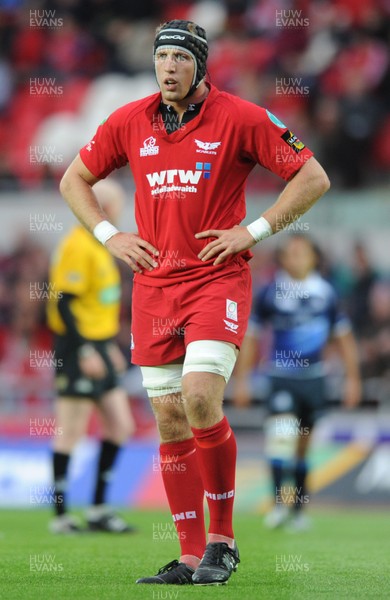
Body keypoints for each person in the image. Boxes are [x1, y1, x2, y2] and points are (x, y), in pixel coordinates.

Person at [59, 19, 330, 585]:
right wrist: (112, 236)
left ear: (201, 65)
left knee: (200, 396)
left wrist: (252, 231)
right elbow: (73, 181)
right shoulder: (130, 120)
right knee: (169, 418)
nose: (168, 68)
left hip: (216, 279)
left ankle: (223, 541)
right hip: (153, 287)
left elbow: (312, 177)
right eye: (161, 58)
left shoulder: (242, 117)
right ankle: (187, 556)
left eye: (180, 58)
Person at [233, 234, 361, 531]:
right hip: (280, 376)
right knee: (280, 439)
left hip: (314, 378)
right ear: (283, 259)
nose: (296, 259)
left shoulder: (326, 292)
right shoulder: (270, 291)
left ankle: (299, 511)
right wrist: (242, 380)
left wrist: (353, 380)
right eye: (291, 253)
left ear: (314, 258)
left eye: (302, 253)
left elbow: (344, 338)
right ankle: (278, 506)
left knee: (303, 446)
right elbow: (251, 337)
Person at [47, 179, 135, 534]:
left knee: (120, 426)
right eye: (119, 206)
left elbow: (96, 303)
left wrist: (108, 345)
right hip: (75, 346)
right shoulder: (77, 245)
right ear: (106, 208)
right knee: (72, 431)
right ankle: (61, 515)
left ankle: (98, 508)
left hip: (98, 343)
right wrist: (85, 350)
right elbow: (64, 303)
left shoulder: (99, 245)